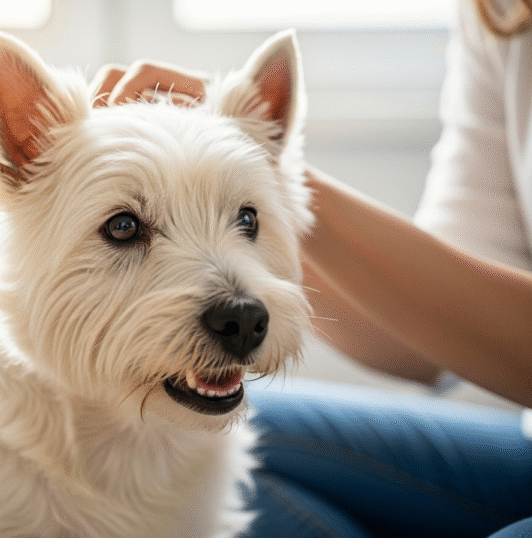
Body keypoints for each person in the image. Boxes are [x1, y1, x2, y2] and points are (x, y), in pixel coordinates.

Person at [92, 0, 532, 536]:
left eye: (245, 221)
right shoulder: (499, 13)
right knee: (180, 450)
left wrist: (260, 161)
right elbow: (435, 344)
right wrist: (246, 175)